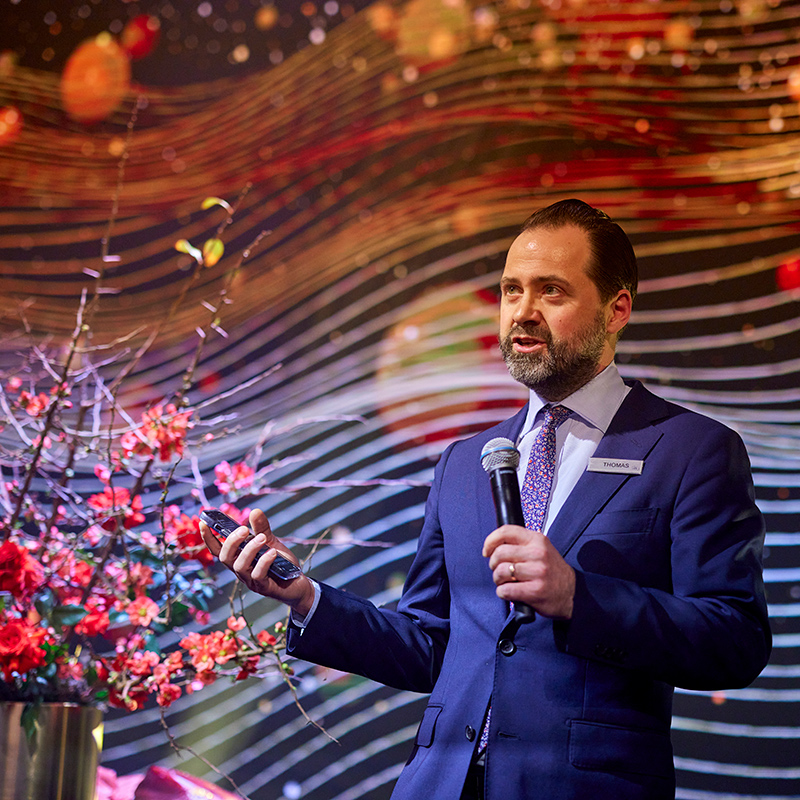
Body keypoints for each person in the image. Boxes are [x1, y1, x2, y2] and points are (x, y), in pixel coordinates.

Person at [201, 199, 771, 800]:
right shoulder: (465, 461)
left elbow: (734, 640)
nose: (523, 312)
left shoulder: (691, 449)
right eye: (510, 291)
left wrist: (580, 597)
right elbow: (431, 645)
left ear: (616, 309)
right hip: (439, 785)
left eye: (551, 291)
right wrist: (305, 596)